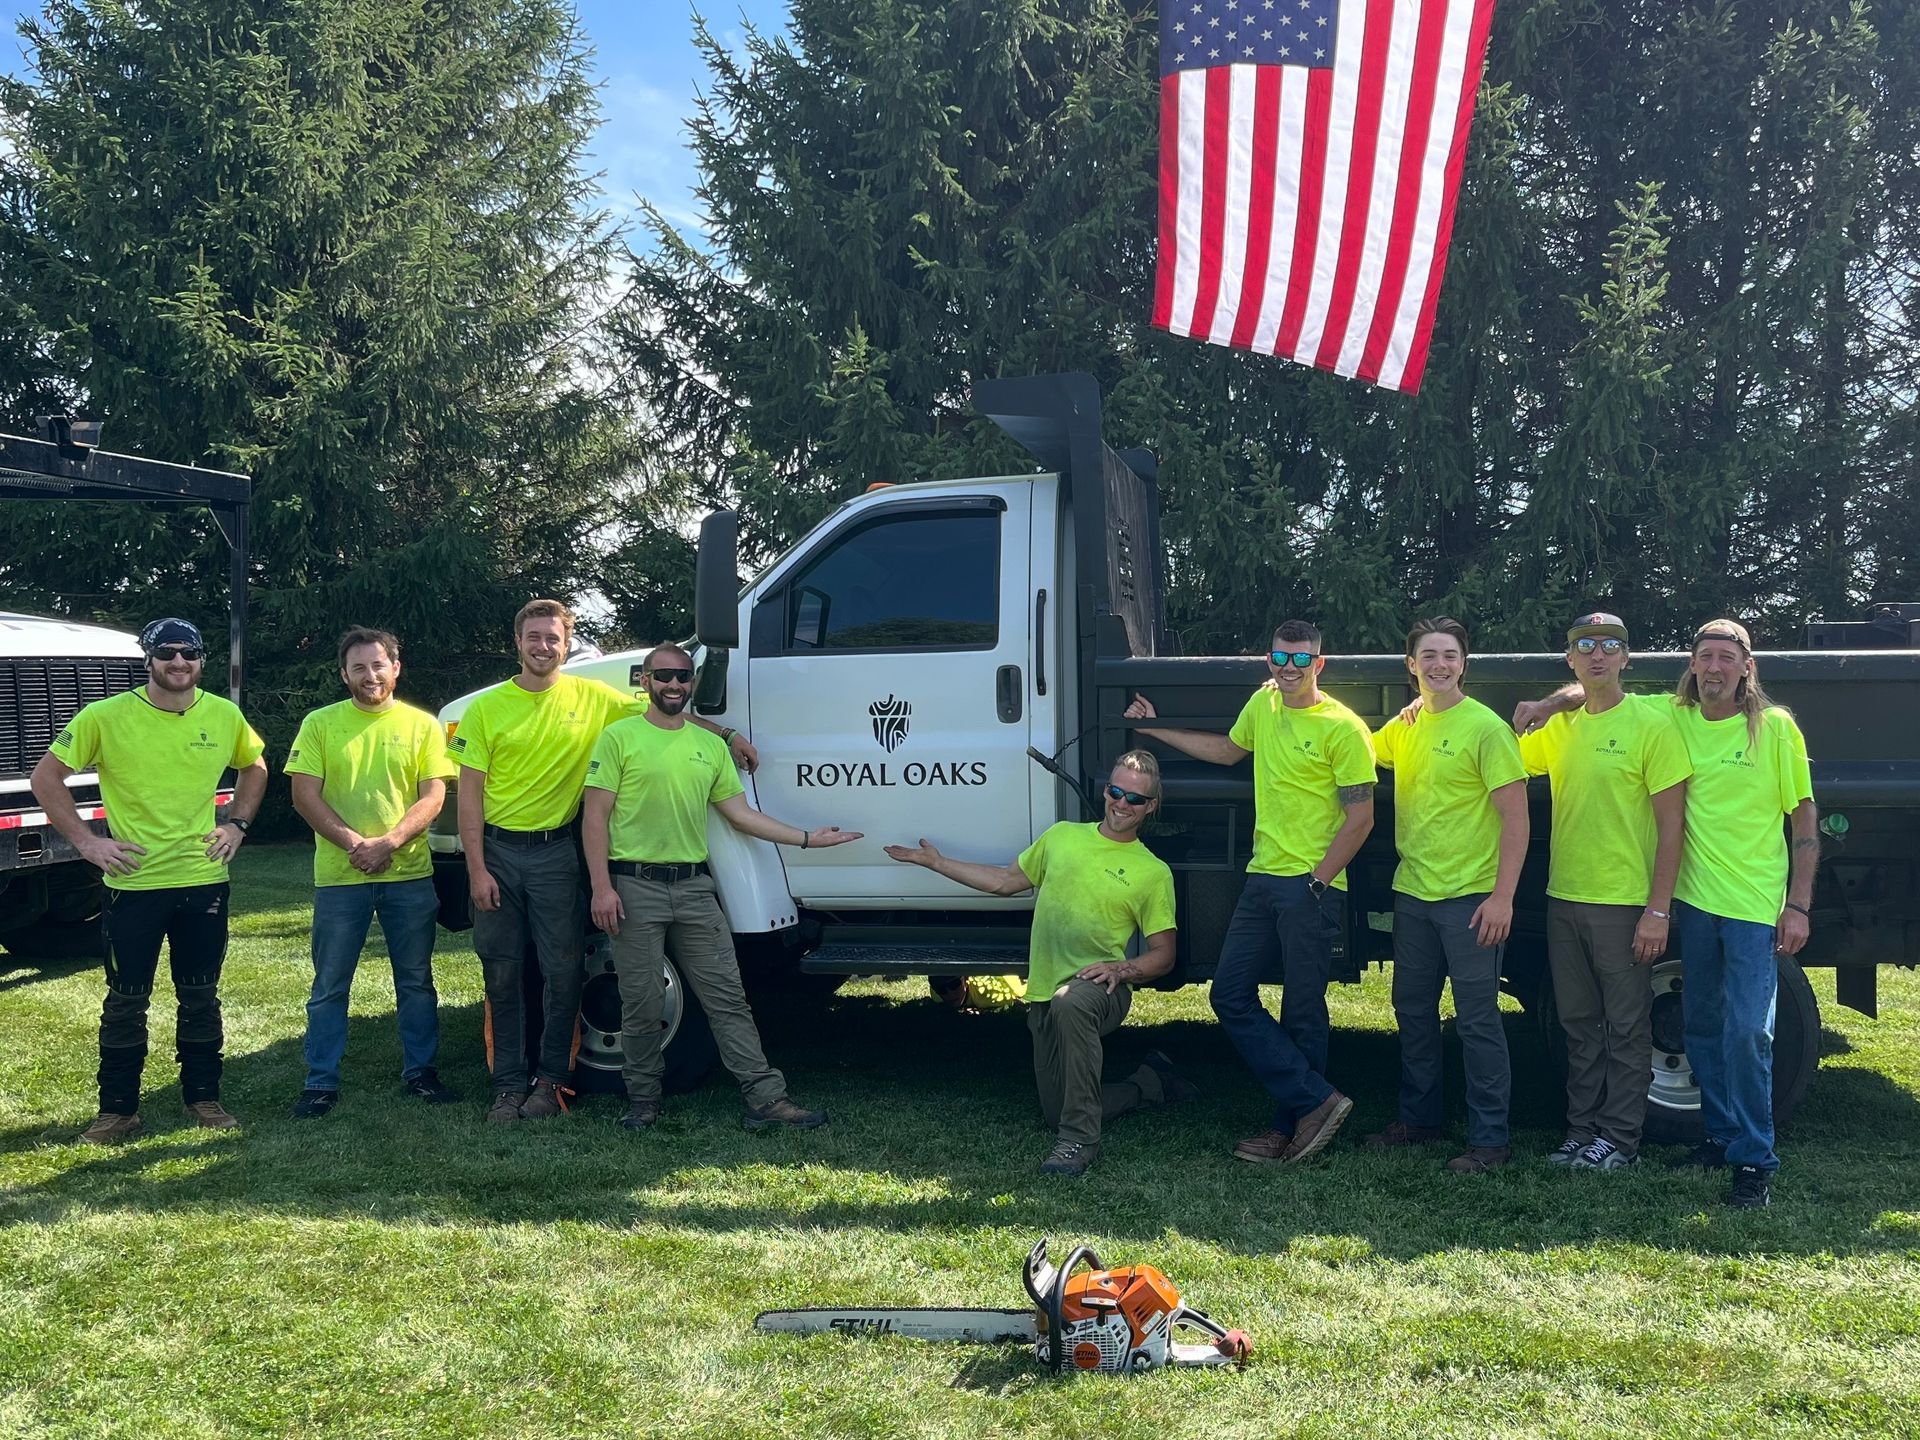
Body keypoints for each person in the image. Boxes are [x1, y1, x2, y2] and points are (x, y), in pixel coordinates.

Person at [1521, 620, 1815, 1207]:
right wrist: (1552, 700)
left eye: (1726, 658)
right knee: (1702, 1028)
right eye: (1704, 657)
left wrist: (1799, 905)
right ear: (1691, 664)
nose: (1714, 668)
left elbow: (1804, 819)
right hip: (1696, 903)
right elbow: (1598, 689)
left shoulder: (1774, 729)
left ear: (1746, 667)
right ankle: (1720, 1135)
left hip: (1755, 907)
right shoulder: (1671, 716)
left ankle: (1755, 1161)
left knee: (1748, 1033)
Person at [453, 600, 756, 1124]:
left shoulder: (593, 697)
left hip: (555, 855)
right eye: (533, 636)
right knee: (501, 975)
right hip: (498, 853)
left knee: (562, 973)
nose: (542, 646)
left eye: (552, 637)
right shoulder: (486, 709)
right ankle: (506, 1087)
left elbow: (667, 716)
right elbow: (469, 797)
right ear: (517, 641)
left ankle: (550, 1085)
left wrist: (727, 735)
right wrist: (477, 869)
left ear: (566, 645)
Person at [1125, 620, 1375, 1165]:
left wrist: (1317, 881)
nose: (1289, 671)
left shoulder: (1344, 727)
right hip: (1262, 878)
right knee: (1229, 994)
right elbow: (1224, 751)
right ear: (1270, 662)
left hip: (1310, 886)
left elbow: (1361, 819)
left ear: (1319, 664)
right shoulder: (1262, 707)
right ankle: (1315, 1101)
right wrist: (1154, 730)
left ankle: (1291, 1127)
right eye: (1280, 660)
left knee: (1303, 1011)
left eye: (1300, 660)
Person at [885, 752, 1194, 1177]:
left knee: (1071, 1005)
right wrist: (937, 863)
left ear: (1151, 806)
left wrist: (1121, 971)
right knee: (1057, 1110)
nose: (1122, 804)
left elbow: (1165, 955)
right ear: (1105, 791)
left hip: (1102, 989)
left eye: (1135, 799)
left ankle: (1078, 1143)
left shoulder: (1152, 871)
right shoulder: (1062, 836)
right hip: (1046, 992)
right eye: (1115, 792)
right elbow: (1004, 881)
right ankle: (1151, 1083)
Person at [583, 644, 850, 1132]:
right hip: (633, 885)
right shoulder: (619, 738)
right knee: (640, 1001)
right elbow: (595, 817)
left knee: (727, 998)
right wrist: (602, 887)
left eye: (683, 677)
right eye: (663, 675)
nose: (674, 685)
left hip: (694, 888)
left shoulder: (707, 747)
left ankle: (766, 1099)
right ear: (644, 681)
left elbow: (741, 815)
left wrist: (809, 839)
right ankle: (643, 1100)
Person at [30, 617, 267, 1141]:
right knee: (126, 1000)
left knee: (201, 995)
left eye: (189, 653)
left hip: (203, 881)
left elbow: (255, 768)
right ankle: (118, 1110)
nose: (178, 662)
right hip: (133, 885)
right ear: (149, 659)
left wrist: (238, 826)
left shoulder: (224, 715)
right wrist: (89, 843)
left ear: (202, 660)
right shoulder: (105, 716)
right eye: (167, 652)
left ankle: (203, 1099)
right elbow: (45, 778)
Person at [1511, 612, 1690, 1172]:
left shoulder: (1652, 722)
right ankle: (1581, 1131)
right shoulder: (1560, 729)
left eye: (1609, 646)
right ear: (1571, 659)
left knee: (1626, 1028)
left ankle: (1620, 1140)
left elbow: (1673, 825)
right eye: (1584, 646)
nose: (1597, 656)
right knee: (1578, 1026)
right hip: (1564, 897)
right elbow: (1503, 765)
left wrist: (1657, 910)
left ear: (1626, 657)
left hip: (1624, 904)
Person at [1364, 618, 1529, 1173]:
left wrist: (1503, 897)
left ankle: (1490, 1142)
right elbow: (1357, 747)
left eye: (1449, 656)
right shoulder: (1405, 726)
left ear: (1464, 664)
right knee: (1411, 1011)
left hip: (1471, 899)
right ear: (1411, 666)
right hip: (1413, 893)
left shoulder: (1485, 729)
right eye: (1427, 656)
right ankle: (1420, 1120)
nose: (1439, 665)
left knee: (1478, 1020)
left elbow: (1516, 820)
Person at [285, 627, 460, 1118]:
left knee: (416, 981)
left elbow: (434, 795)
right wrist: (356, 844)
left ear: (396, 667)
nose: (370, 675)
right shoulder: (319, 723)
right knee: (330, 985)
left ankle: (422, 1073)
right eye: (358, 667)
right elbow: (304, 795)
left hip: (408, 875)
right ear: (344, 674)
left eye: (378, 664)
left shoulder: (423, 726)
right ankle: (320, 1082)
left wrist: (390, 842)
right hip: (341, 878)